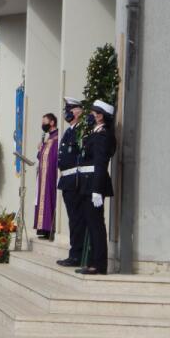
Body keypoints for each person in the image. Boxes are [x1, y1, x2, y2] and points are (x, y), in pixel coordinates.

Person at [76, 100, 116, 275]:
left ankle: (99, 265)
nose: (90, 116)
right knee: (91, 225)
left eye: (93, 113)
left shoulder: (103, 135)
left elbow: (100, 164)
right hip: (88, 184)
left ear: (100, 116)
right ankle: (93, 262)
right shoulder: (95, 133)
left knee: (96, 226)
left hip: (94, 185)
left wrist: (97, 190)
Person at [56, 98, 87, 267]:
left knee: (77, 220)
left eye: (70, 109)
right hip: (67, 181)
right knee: (73, 220)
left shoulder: (81, 130)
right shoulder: (70, 131)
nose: (67, 113)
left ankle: (77, 255)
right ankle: (75, 253)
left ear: (79, 111)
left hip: (75, 181)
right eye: (66, 109)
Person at [34, 113, 59, 240]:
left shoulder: (57, 138)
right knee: (42, 200)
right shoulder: (48, 138)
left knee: (49, 199)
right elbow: (41, 157)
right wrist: (40, 149)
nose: (42, 125)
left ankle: (49, 228)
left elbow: (54, 157)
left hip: (51, 175)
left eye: (44, 122)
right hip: (43, 175)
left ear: (52, 122)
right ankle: (43, 228)